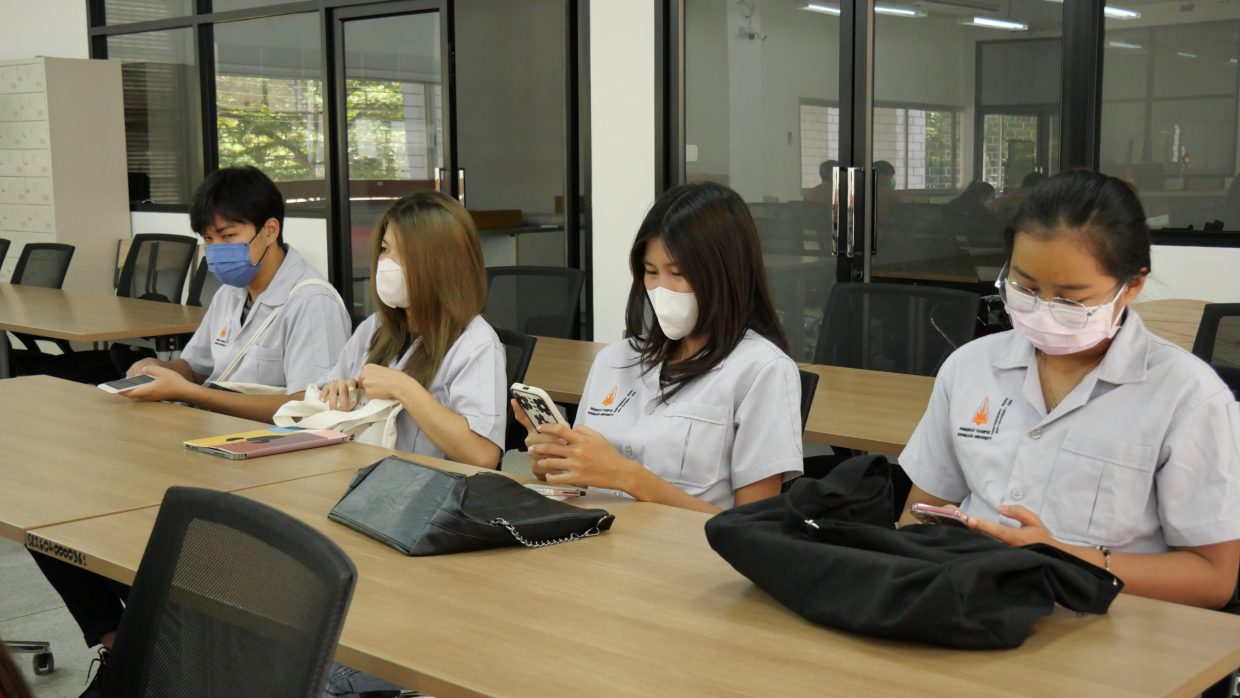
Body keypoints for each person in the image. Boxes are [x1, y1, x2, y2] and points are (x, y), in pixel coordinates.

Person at [898, 170, 1240, 609]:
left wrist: (1062, 559)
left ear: (1131, 286)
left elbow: (1213, 578)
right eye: (1025, 288)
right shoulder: (970, 366)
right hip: (971, 607)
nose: (1042, 310)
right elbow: (919, 514)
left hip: (1108, 626)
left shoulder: (1187, 396)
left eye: (1071, 299)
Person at [518, 181, 804, 515]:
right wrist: (551, 463)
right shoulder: (615, 360)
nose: (661, 289)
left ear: (725, 274)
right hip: (596, 537)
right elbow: (579, 486)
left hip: (685, 548)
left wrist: (628, 477)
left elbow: (754, 530)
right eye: (651, 272)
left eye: (678, 273)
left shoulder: (762, 370)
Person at [318, 191, 507, 698]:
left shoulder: (475, 343)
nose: (386, 264)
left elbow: (483, 454)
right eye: (384, 250)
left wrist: (405, 389)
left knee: (318, 674)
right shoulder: (375, 331)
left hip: (424, 533)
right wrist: (337, 393)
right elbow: (323, 400)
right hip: (362, 508)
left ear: (437, 263)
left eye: (399, 254)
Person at [117, 165, 353, 422]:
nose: (216, 249)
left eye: (228, 236)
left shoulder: (312, 302)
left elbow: (309, 409)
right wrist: (157, 368)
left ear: (270, 231)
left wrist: (193, 394)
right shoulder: (229, 292)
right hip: (217, 428)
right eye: (208, 239)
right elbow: (196, 369)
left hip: (270, 440)